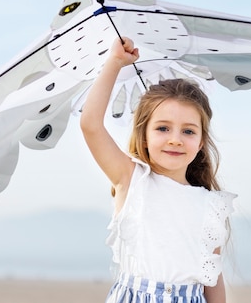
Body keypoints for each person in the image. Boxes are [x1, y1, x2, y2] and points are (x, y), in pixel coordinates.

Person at [80, 37, 236, 303]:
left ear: (200, 142)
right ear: (144, 136)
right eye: (163, 128)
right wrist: (115, 62)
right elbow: (90, 125)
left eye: (188, 131)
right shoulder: (132, 179)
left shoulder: (211, 204)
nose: (175, 139)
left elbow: (211, 277)